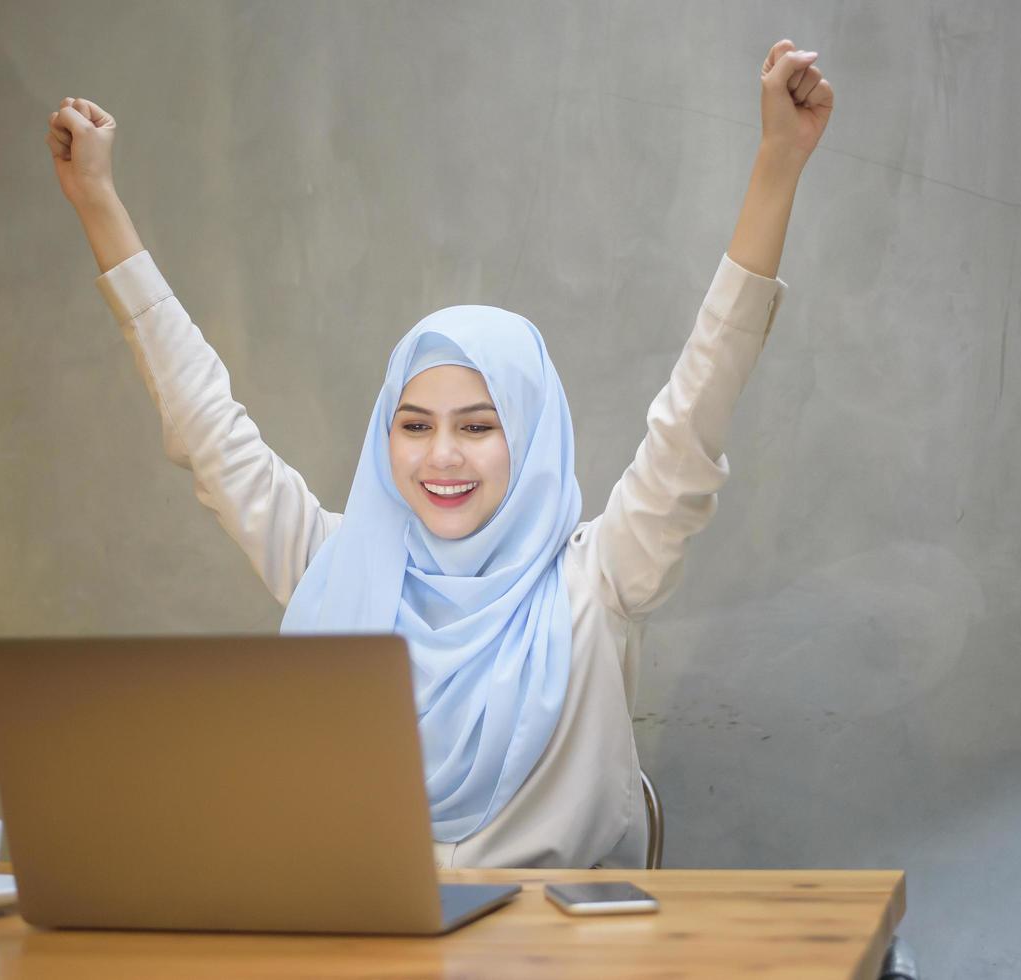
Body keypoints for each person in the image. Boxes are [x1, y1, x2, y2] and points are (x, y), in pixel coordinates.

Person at [45, 39, 834, 869]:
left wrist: (778, 163)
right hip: (372, 947)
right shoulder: (339, 568)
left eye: (479, 425)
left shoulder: (597, 580)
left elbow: (694, 413)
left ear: (527, 442)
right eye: (414, 425)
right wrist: (97, 200)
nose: (442, 458)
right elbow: (206, 424)